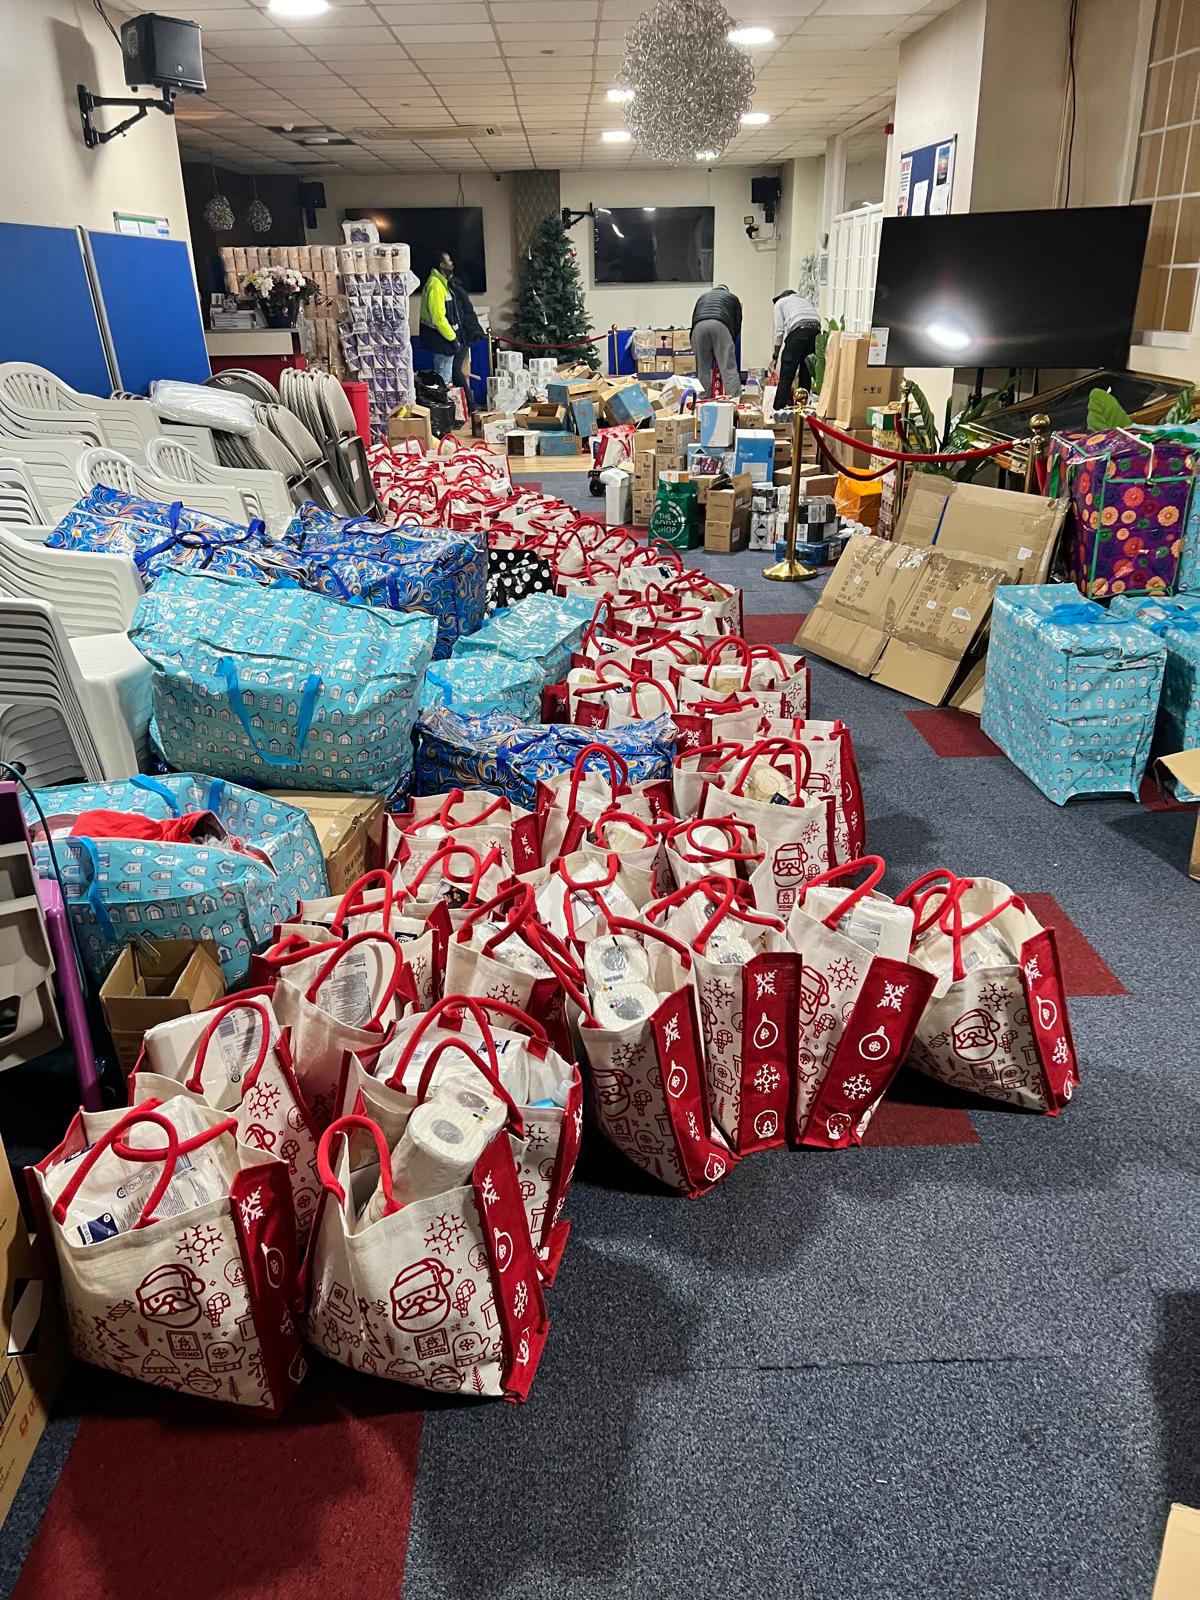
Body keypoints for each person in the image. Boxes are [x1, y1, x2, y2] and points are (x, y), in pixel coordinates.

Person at [771, 288, 821, 413]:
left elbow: (779, 332)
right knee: (806, 373)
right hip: (816, 332)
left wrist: (775, 356)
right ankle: (803, 412)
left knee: (787, 375)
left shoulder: (780, 303)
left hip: (799, 331)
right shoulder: (804, 302)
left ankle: (779, 412)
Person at [690, 283, 743, 399]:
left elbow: (694, 318)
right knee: (728, 367)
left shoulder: (702, 297)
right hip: (720, 325)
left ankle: (702, 399)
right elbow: (737, 324)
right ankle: (734, 399)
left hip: (699, 327)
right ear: (726, 290)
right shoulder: (732, 298)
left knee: (702, 368)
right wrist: (730, 343)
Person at [419, 249, 460, 385]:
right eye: (449, 261)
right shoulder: (436, 285)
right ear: (441, 265)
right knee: (444, 381)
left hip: (441, 339)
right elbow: (438, 318)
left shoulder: (441, 283)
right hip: (442, 340)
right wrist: (452, 337)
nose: (452, 263)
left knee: (444, 377)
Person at [449, 272, 485, 416]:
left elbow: (460, 317)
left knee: (455, 370)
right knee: (457, 370)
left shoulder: (455, 294)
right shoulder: (460, 291)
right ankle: (468, 404)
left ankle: (469, 404)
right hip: (467, 335)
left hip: (463, 336)